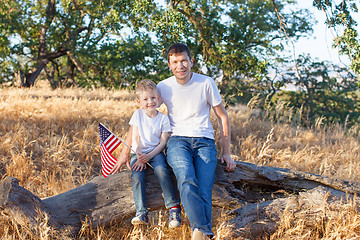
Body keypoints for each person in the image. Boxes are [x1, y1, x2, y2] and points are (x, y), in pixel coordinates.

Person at [111, 44, 236, 240]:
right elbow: (142, 117)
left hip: (205, 141)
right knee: (186, 179)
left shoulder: (206, 83)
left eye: (184, 60)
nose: (181, 66)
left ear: (191, 61)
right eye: (175, 62)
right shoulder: (163, 87)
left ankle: (200, 233)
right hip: (177, 140)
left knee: (204, 188)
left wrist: (227, 152)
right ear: (169, 64)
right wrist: (125, 153)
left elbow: (222, 117)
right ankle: (204, 231)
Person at [127, 79, 181, 228]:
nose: (150, 102)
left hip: (155, 153)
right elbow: (135, 138)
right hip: (138, 153)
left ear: (158, 98)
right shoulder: (137, 115)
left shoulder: (163, 119)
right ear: (139, 101)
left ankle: (174, 208)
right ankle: (141, 212)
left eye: (153, 98)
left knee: (162, 171)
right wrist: (138, 154)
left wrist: (149, 156)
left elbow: (163, 143)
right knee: (137, 176)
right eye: (145, 99)